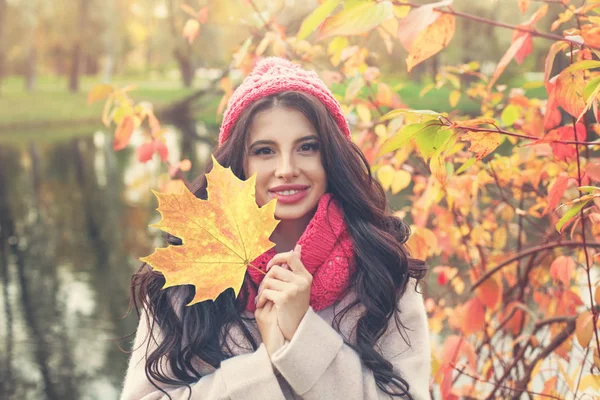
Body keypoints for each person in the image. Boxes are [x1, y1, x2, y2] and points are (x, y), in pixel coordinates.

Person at [120, 57, 431, 400]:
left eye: (307, 147)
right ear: (239, 162)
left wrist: (302, 335)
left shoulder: (383, 265)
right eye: (265, 151)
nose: (286, 169)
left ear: (331, 157)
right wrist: (264, 367)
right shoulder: (187, 270)